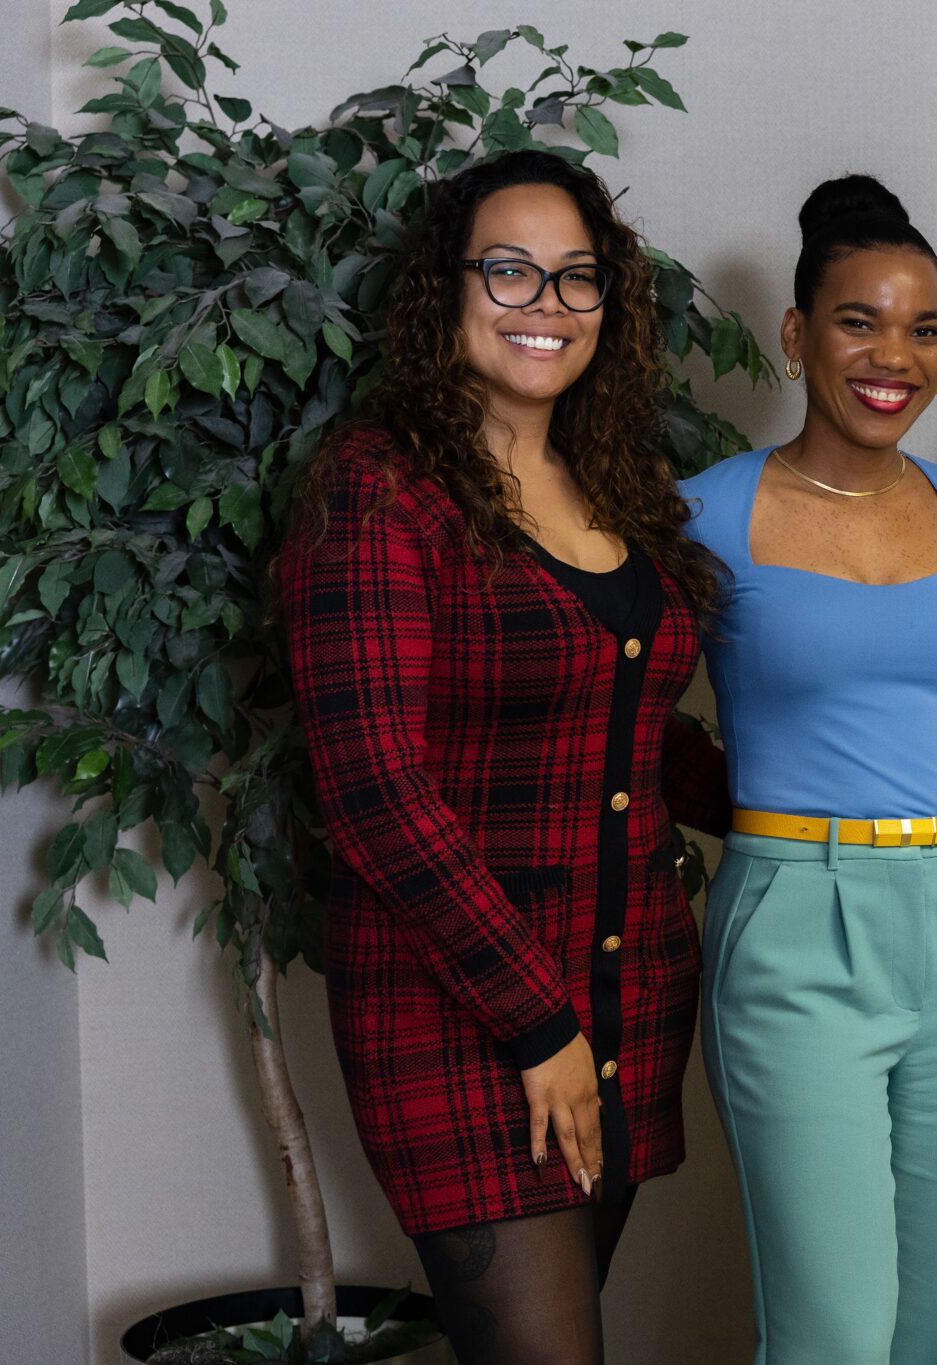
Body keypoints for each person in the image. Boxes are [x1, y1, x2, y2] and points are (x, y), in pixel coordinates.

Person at [280, 150, 730, 1365]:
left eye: (576, 278)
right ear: (448, 288)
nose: (545, 304)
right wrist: (540, 1028)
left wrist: (801, 803)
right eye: (510, 271)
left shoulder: (612, 481)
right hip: (463, 1005)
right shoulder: (377, 492)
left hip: (628, 990)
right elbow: (374, 789)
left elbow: (629, 721)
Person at [680, 174, 937, 1365]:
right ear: (795, 337)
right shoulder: (699, 518)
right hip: (794, 922)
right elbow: (624, 721)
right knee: (833, 1331)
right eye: (859, 320)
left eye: (923, 327)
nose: (894, 354)